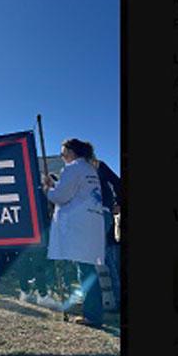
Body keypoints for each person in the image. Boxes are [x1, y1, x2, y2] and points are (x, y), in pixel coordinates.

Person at [42, 139, 105, 327]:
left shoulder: (72, 168)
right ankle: (92, 310)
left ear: (71, 152)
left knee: (85, 269)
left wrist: (47, 189)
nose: (62, 157)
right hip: (91, 222)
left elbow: (60, 196)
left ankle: (92, 315)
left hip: (78, 224)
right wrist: (56, 184)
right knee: (88, 267)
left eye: (63, 153)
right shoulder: (88, 168)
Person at [91, 156, 121, 311]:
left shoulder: (97, 165)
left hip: (102, 215)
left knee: (106, 258)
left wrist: (118, 203)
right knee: (103, 258)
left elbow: (117, 182)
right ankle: (108, 298)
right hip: (91, 218)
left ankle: (114, 299)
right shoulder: (76, 169)